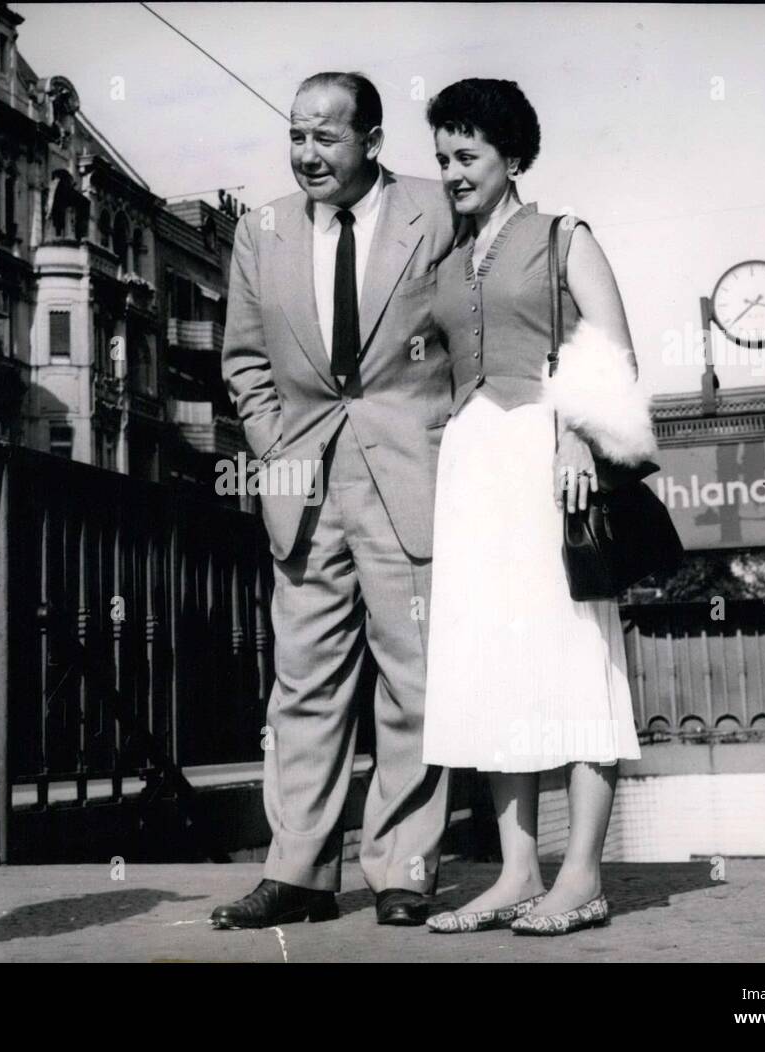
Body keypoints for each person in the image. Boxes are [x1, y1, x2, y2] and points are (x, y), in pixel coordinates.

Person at [214, 72, 457, 929]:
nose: (307, 152)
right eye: (296, 135)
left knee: (414, 682)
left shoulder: (438, 208)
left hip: (412, 474)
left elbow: (480, 330)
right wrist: (273, 442)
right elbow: (243, 359)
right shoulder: (262, 229)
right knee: (303, 685)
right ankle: (301, 875)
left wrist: (453, 437)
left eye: (326, 136)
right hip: (300, 484)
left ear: (372, 141)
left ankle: (403, 869)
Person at [420, 79, 654, 936]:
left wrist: (579, 436)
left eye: (467, 155)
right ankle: (518, 873)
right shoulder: (450, 258)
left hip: (552, 466)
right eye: (442, 156)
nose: (450, 172)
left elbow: (612, 345)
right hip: (473, 468)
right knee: (487, 666)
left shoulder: (565, 236)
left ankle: (582, 876)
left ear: (511, 155)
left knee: (574, 660)